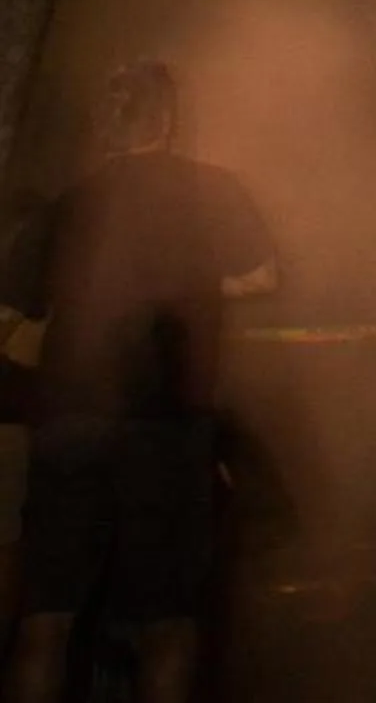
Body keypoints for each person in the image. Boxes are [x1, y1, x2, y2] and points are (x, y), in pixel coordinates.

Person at [0, 61, 277, 703]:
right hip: (168, 428)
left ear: (105, 129)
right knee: (168, 621)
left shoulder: (69, 204)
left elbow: (6, 311)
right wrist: (198, 282)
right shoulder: (213, 191)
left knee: (45, 620)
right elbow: (264, 276)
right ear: (170, 122)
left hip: (69, 424)